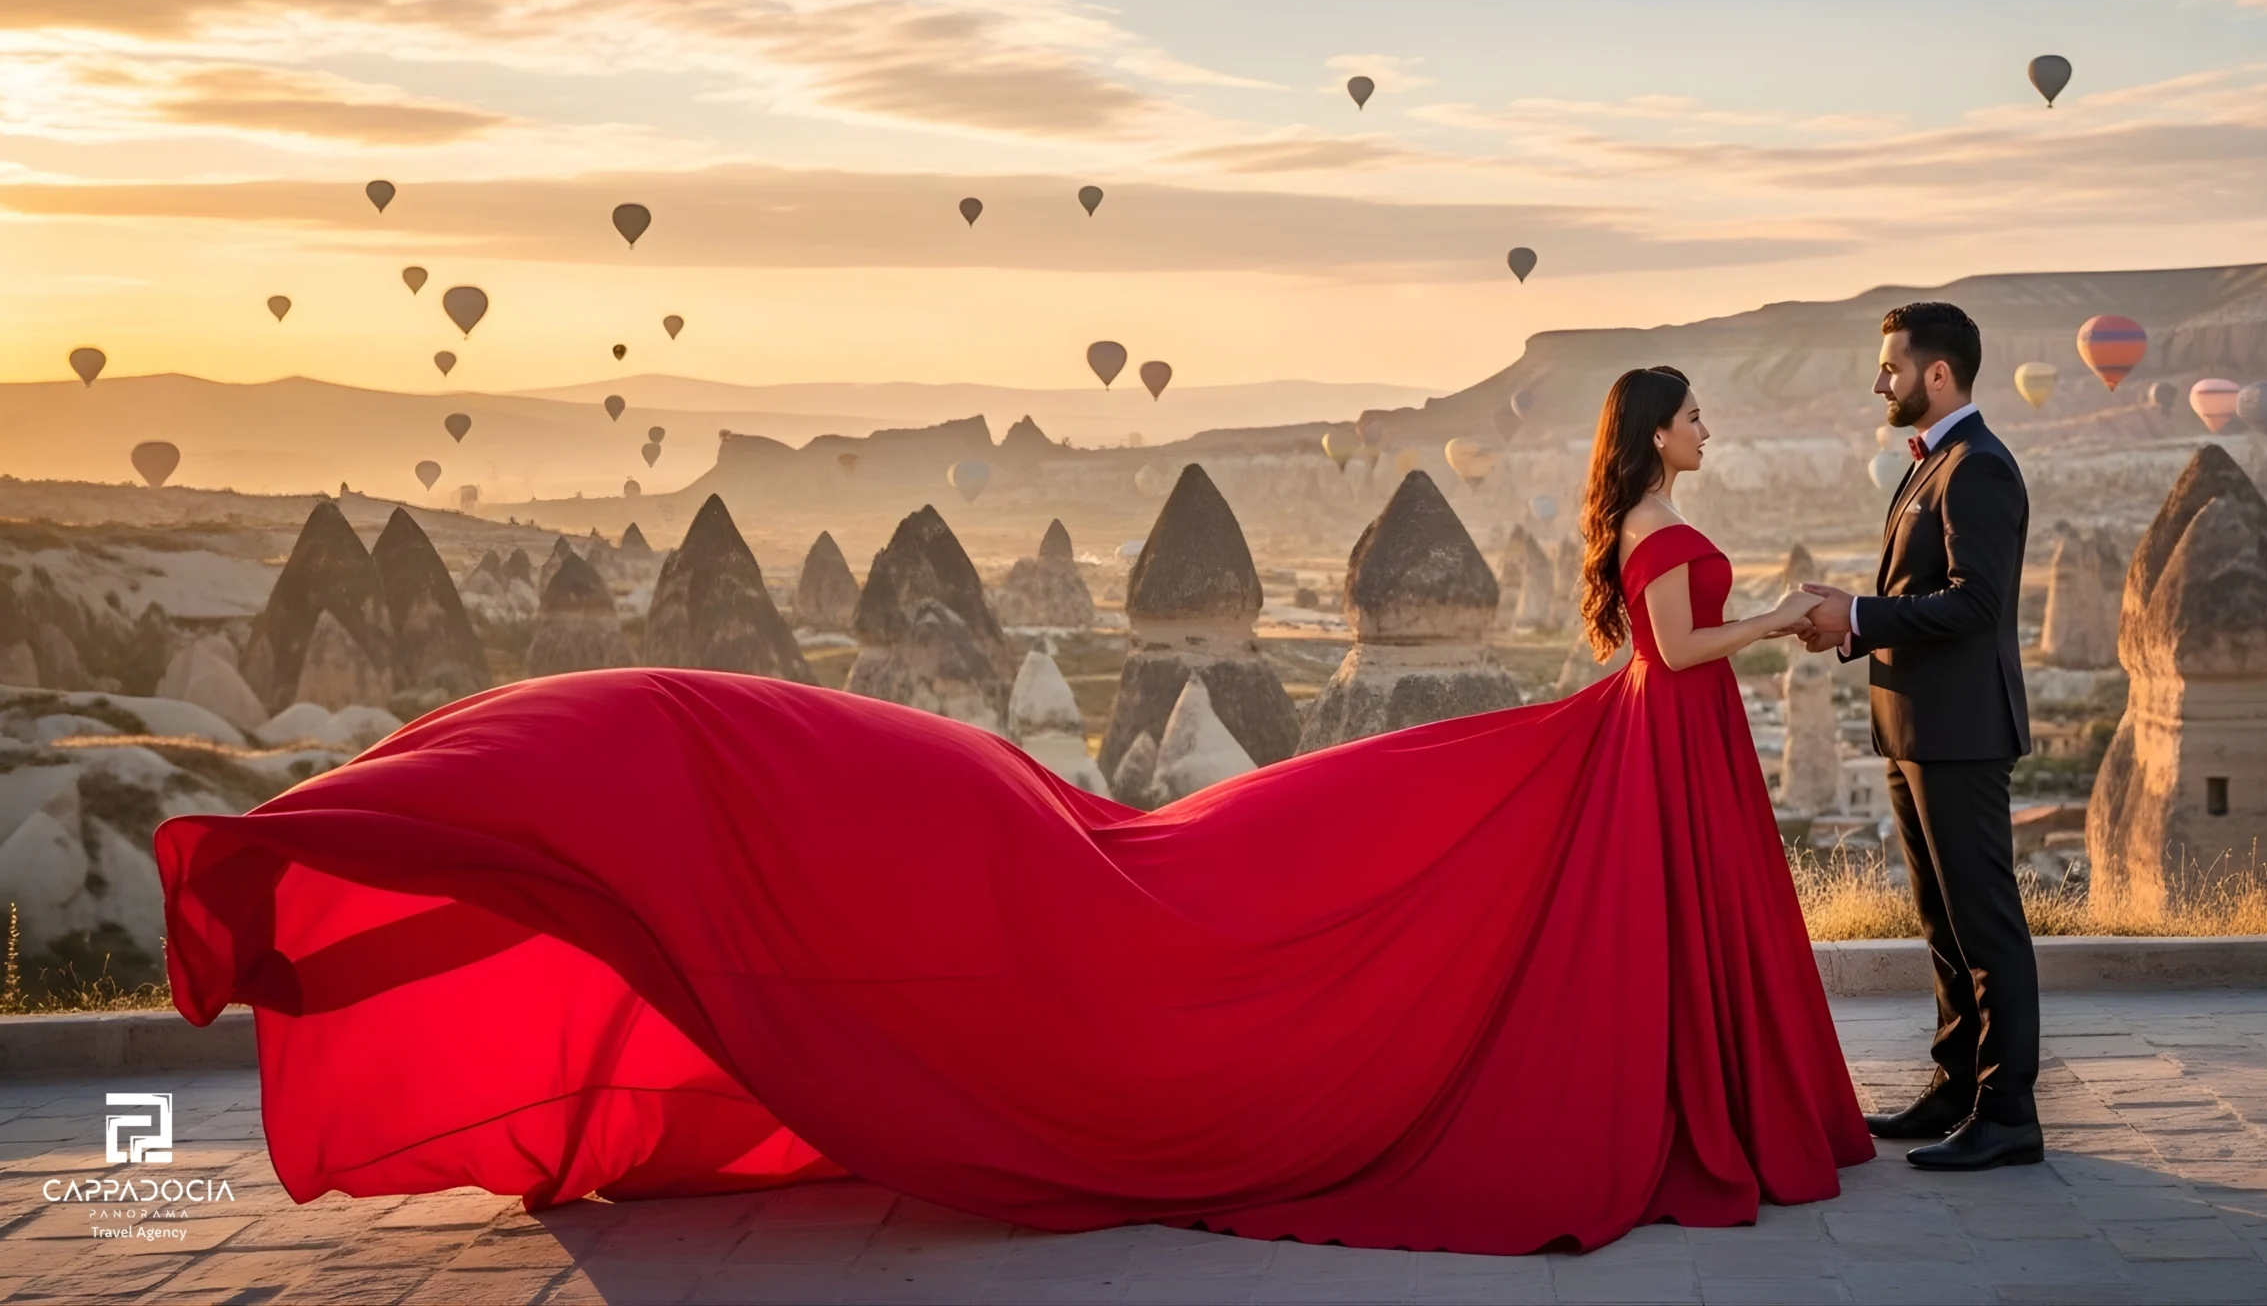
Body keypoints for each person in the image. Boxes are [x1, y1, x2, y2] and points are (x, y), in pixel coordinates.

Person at [155, 365, 1872, 1258]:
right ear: (1654, 428)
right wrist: (1788, 618)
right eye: (1698, 409)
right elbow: (1671, 648)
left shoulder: (1643, 516)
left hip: (1649, 755)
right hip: (1660, 743)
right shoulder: (1660, 532)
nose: (1712, 425)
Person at [1793, 301, 2041, 1172]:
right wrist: (1852, 620)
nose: (1879, 382)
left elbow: (1975, 604)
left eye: (1891, 368)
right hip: (1913, 726)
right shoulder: (1934, 464)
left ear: (1939, 374)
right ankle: (1957, 1085)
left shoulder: (1977, 468)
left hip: (1960, 733)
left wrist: (1857, 612)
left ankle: (2008, 1112)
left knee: (1984, 924)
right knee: (1941, 922)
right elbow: (1921, 593)